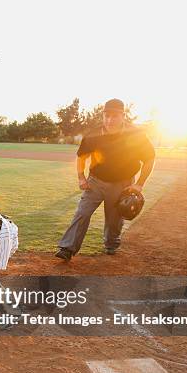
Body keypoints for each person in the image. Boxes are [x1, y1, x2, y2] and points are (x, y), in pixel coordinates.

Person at [55, 98, 156, 261]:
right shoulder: (94, 134)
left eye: (114, 116)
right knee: (82, 212)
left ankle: (111, 244)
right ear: (103, 116)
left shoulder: (135, 135)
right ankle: (67, 248)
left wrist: (139, 184)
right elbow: (81, 157)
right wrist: (81, 177)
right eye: (106, 115)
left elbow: (150, 158)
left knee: (114, 220)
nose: (110, 120)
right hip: (96, 182)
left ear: (123, 115)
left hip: (123, 183)